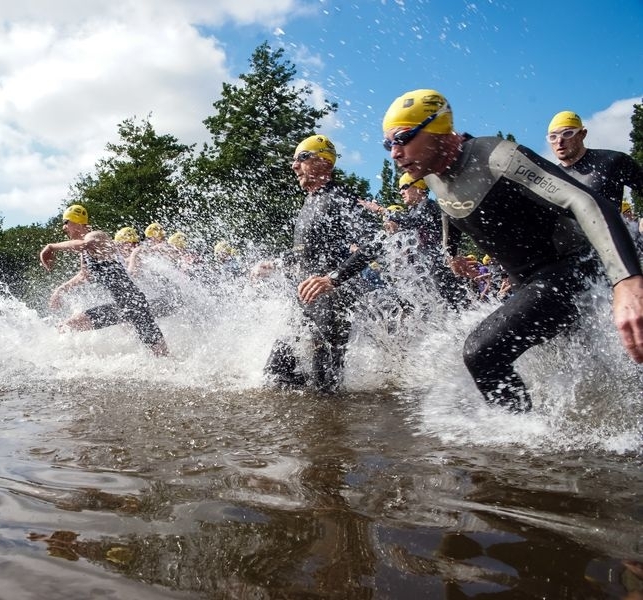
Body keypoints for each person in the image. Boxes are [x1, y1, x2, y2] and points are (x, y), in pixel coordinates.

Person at [382, 88, 643, 412]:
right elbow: (450, 208)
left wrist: (626, 280)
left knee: (482, 352)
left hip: (572, 268)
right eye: (388, 144)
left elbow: (584, 200)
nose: (394, 153)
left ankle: (522, 436)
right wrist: (451, 255)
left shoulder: (497, 157)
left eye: (403, 138)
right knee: (599, 365)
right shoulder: (433, 175)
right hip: (531, 282)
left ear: (438, 129)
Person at [251, 134, 380, 392]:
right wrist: (274, 263)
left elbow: (375, 242)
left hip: (332, 300)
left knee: (325, 386)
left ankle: (338, 418)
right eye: (294, 160)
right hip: (305, 299)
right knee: (275, 376)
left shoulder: (338, 197)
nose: (294, 165)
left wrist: (333, 278)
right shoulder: (311, 200)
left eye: (302, 157)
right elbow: (306, 251)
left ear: (324, 162)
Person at [41, 205, 169, 356]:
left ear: (76, 222)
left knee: (162, 355)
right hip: (121, 307)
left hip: (134, 304)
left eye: (66, 222)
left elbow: (84, 245)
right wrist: (60, 290)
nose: (64, 227)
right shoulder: (85, 252)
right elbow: (84, 275)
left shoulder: (96, 236)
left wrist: (51, 247)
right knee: (66, 327)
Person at [384, 173, 471, 308]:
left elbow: (413, 222)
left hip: (439, 263)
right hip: (427, 264)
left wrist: (382, 210)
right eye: (400, 189)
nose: (401, 192)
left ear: (419, 188)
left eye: (405, 187)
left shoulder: (427, 204)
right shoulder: (413, 210)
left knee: (454, 302)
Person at [547, 110, 643, 211]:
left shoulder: (612, 161)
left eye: (567, 134)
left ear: (582, 134)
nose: (559, 141)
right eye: (553, 137)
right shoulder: (550, 177)